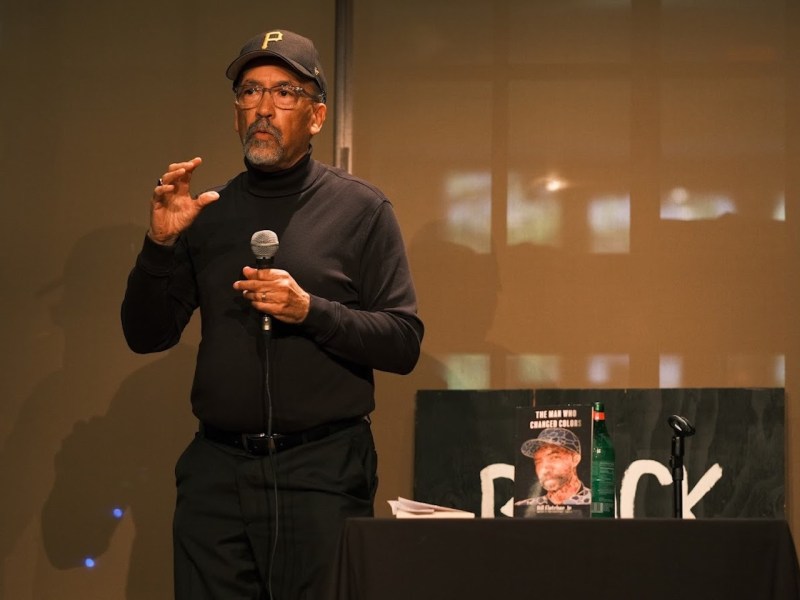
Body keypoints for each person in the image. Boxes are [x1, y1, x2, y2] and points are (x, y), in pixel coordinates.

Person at [121, 29, 423, 599]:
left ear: (316, 116)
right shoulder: (206, 211)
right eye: (249, 92)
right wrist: (159, 247)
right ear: (236, 113)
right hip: (217, 473)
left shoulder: (361, 209)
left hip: (323, 471)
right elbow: (146, 335)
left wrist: (311, 310)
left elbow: (403, 342)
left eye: (284, 92)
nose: (263, 108)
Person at [515, 427, 590, 515]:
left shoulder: (595, 503)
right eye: (538, 461)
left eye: (554, 458)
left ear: (575, 459)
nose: (544, 468)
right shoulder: (523, 507)